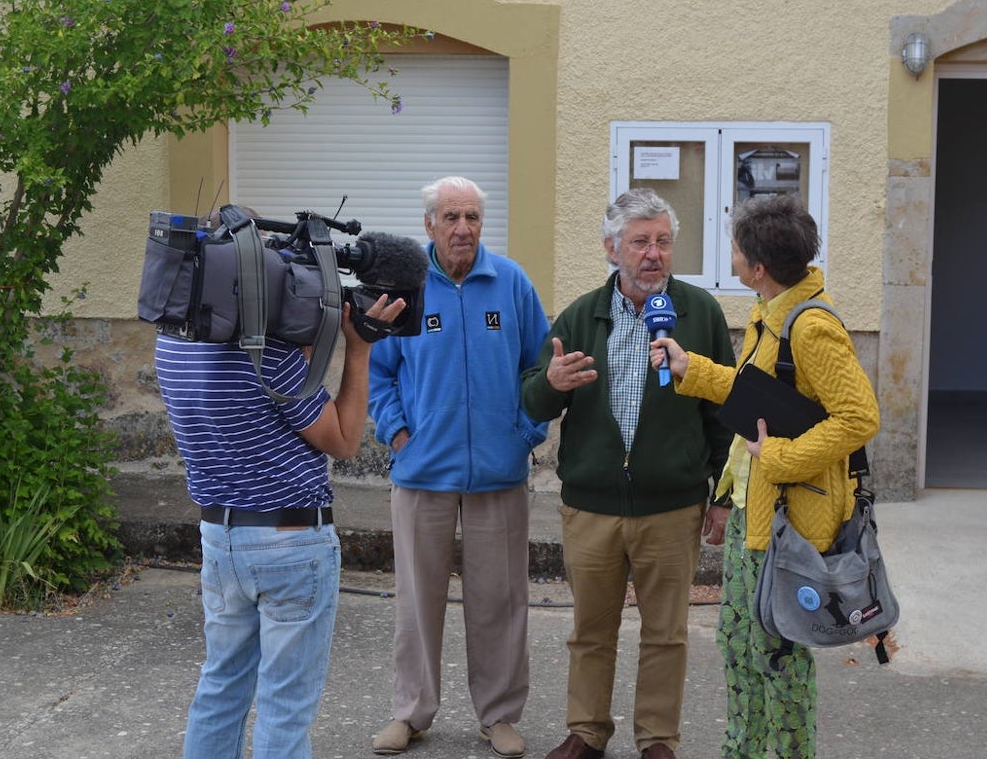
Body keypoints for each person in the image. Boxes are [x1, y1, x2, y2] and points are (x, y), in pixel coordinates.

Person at [648, 193, 880, 759]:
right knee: (739, 647)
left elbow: (860, 417)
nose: (729, 254)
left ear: (757, 267)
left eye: (734, 247)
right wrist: (691, 368)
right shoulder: (768, 311)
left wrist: (778, 459)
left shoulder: (810, 327)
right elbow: (759, 401)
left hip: (789, 524)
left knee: (779, 658)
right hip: (753, 516)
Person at [155, 246, 405, 759]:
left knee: (221, 686)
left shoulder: (170, 344)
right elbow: (342, 439)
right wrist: (358, 350)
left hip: (220, 539)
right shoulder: (268, 355)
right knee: (284, 707)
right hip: (290, 541)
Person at [520, 187, 735, 759]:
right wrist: (551, 384)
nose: (653, 254)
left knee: (667, 634)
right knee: (591, 630)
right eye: (640, 242)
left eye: (663, 242)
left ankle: (658, 738)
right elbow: (534, 402)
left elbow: (724, 413)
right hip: (591, 506)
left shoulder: (699, 313)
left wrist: (722, 496)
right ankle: (587, 730)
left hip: (672, 504)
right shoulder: (579, 315)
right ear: (612, 248)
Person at [367, 176, 551, 758]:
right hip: (422, 472)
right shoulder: (406, 287)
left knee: (500, 600)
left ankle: (498, 715)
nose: (463, 228)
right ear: (429, 225)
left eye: (471, 216)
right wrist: (398, 433)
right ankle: (411, 712)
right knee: (417, 601)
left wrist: (527, 433)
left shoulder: (511, 283)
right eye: (450, 217)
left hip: (499, 475)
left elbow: (541, 369)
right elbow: (378, 371)